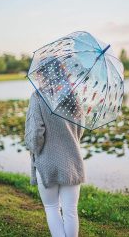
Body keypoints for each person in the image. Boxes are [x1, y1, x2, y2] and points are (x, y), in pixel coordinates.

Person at [24, 58, 86, 237]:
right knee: (70, 211)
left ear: (46, 74)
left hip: (46, 162)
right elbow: (79, 132)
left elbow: (35, 134)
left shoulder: (38, 97)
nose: (38, 76)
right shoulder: (74, 98)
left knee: (51, 208)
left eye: (40, 73)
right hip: (73, 161)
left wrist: (34, 149)